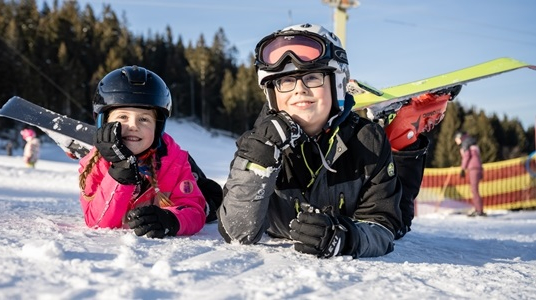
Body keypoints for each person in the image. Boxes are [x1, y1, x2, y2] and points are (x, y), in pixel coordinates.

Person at [217, 23, 451, 258]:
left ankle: (402, 133)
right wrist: (259, 158)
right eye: (285, 82)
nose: (299, 90)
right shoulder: (255, 145)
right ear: (271, 94)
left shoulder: (367, 140)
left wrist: (345, 237)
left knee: (400, 220)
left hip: (360, 209)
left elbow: (384, 224)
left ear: (337, 84)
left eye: (312, 77)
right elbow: (237, 231)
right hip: (279, 202)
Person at [78, 65, 207, 238]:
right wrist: (120, 171)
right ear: (104, 122)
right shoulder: (94, 163)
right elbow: (97, 222)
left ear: (158, 127)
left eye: (144, 119)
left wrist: (171, 219)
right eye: (123, 117)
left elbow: (194, 211)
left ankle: (206, 189)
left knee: (209, 199)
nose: (133, 126)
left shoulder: (175, 162)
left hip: (176, 165)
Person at [454, 131, 485, 217]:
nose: (455, 141)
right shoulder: (471, 142)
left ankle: (479, 210)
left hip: (473, 168)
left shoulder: (465, 144)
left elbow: (467, 156)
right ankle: (478, 209)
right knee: (474, 190)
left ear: (459, 137)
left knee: (474, 190)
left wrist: (463, 168)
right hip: (477, 167)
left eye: (456, 139)